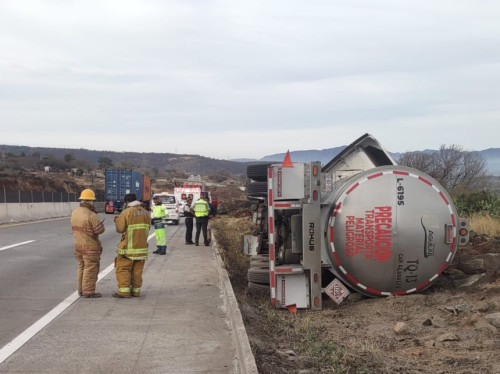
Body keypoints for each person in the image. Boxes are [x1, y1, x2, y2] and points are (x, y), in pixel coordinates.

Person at [113, 193, 151, 298]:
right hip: (142, 248)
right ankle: (136, 291)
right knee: (137, 271)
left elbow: (120, 229)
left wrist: (117, 220)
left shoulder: (126, 212)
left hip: (128, 248)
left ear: (127, 202)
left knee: (123, 269)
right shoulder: (146, 213)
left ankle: (124, 292)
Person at [70, 188, 105, 298]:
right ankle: (88, 292)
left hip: (78, 246)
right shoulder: (91, 215)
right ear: (90, 201)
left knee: (81, 267)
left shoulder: (75, 212)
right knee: (90, 269)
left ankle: (80, 290)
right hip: (90, 247)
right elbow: (99, 230)